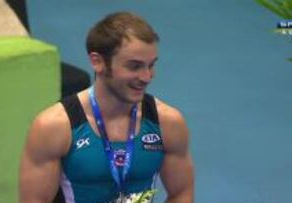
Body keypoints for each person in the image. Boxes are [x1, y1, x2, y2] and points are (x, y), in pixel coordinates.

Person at [19, 11, 194, 203]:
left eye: (151, 65)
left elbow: (181, 192)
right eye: (134, 66)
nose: (146, 77)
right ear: (98, 62)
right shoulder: (54, 127)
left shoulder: (167, 122)